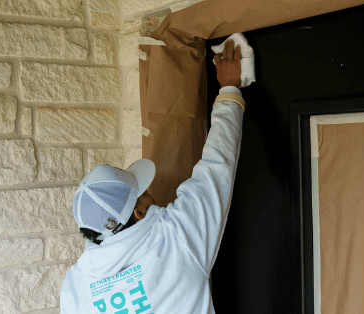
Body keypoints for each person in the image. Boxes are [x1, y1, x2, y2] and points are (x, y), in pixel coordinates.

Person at [60, 39, 246, 314]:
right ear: (137, 211)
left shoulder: (77, 285)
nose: (150, 193)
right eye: (143, 191)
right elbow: (216, 170)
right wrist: (230, 89)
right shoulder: (177, 239)